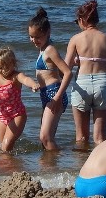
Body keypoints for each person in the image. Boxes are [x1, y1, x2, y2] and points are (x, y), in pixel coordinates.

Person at [64, 0, 106, 146]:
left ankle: (81, 167)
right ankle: (101, 168)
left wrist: (78, 62)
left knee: (81, 138)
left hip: (82, 84)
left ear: (82, 20)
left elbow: (65, 69)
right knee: (100, 139)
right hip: (102, 84)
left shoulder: (75, 39)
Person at [28, 8, 73, 151]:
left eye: (37, 37)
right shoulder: (43, 49)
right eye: (31, 36)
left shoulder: (50, 50)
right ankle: (49, 168)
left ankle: (58, 164)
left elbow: (68, 73)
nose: (34, 40)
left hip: (54, 94)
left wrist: (58, 97)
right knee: (46, 138)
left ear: (47, 33)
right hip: (46, 94)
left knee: (45, 137)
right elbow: (58, 70)